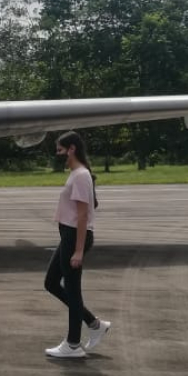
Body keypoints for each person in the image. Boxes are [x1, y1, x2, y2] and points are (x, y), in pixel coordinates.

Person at [43, 130, 111, 359]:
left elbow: (83, 216)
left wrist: (79, 250)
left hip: (75, 237)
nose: (58, 154)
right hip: (68, 236)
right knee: (51, 282)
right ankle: (94, 324)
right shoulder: (78, 174)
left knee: (73, 291)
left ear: (72, 149)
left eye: (60, 150)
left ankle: (72, 345)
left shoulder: (81, 175)